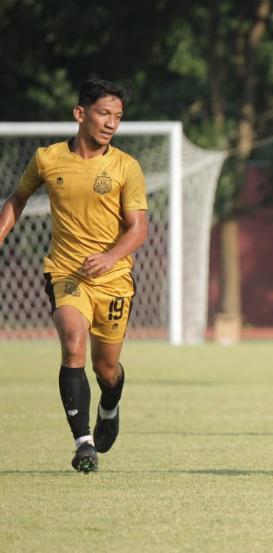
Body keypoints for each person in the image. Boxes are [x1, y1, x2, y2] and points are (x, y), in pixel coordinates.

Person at [0, 79, 148, 472]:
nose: (111, 123)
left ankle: (110, 404)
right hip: (66, 272)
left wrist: (110, 256)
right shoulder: (47, 159)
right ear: (80, 114)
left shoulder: (125, 167)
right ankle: (83, 444)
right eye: (104, 113)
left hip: (114, 279)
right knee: (72, 343)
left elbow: (138, 229)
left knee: (106, 368)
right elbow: (17, 198)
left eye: (117, 116)